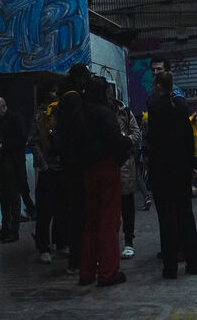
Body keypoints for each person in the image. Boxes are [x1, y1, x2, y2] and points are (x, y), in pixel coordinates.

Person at [146, 71, 197, 279]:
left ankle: (170, 267)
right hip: (182, 169)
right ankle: (193, 263)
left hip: (162, 170)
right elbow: (189, 138)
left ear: (159, 86)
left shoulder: (155, 107)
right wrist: (191, 164)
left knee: (166, 219)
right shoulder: (181, 106)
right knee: (186, 214)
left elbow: (153, 141)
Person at [77, 76, 127, 287]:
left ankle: (87, 272)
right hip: (106, 166)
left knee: (91, 221)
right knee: (108, 219)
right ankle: (108, 272)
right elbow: (115, 140)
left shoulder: (81, 113)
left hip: (87, 169)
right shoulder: (105, 113)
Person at [53, 63, 91, 273]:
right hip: (76, 162)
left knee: (71, 209)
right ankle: (79, 258)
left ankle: (74, 257)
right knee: (79, 211)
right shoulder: (74, 99)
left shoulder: (64, 98)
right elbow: (79, 130)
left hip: (67, 162)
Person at [29, 84, 63, 264]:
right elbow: (34, 141)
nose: (55, 95)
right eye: (52, 91)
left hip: (61, 167)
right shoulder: (40, 115)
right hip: (48, 167)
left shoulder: (62, 112)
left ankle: (60, 241)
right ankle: (43, 246)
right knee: (45, 209)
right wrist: (43, 165)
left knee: (61, 208)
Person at [0, 95, 28, 243]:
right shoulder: (7, 118)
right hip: (5, 163)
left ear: (3, 106)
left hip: (11, 162)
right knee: (4, 197)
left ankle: (12, 229)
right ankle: (7, 228)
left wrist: (4, 145)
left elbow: (22, 139)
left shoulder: (14, 119)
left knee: (12, 197)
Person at [115, 96, 142, 259]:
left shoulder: (124, 111)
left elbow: (136, 134)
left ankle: (128, 241)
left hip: (125, 166)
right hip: (110, 166)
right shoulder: (103, 112)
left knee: (127, 207)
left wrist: (123, 140)